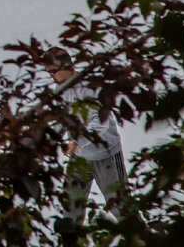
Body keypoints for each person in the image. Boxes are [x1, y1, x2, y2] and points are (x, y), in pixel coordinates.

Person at [43, 47, 127, 226]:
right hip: (79, 158)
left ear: (66, 66)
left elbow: (101, 121)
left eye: (53, 72)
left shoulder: (89, 88)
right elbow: (61, 120)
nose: (51, 76)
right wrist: (45, 141)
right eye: (48, 72)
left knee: (120, 208)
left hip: (106, 156)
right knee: (71, 209)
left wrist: (77, 142)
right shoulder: (62, 90)